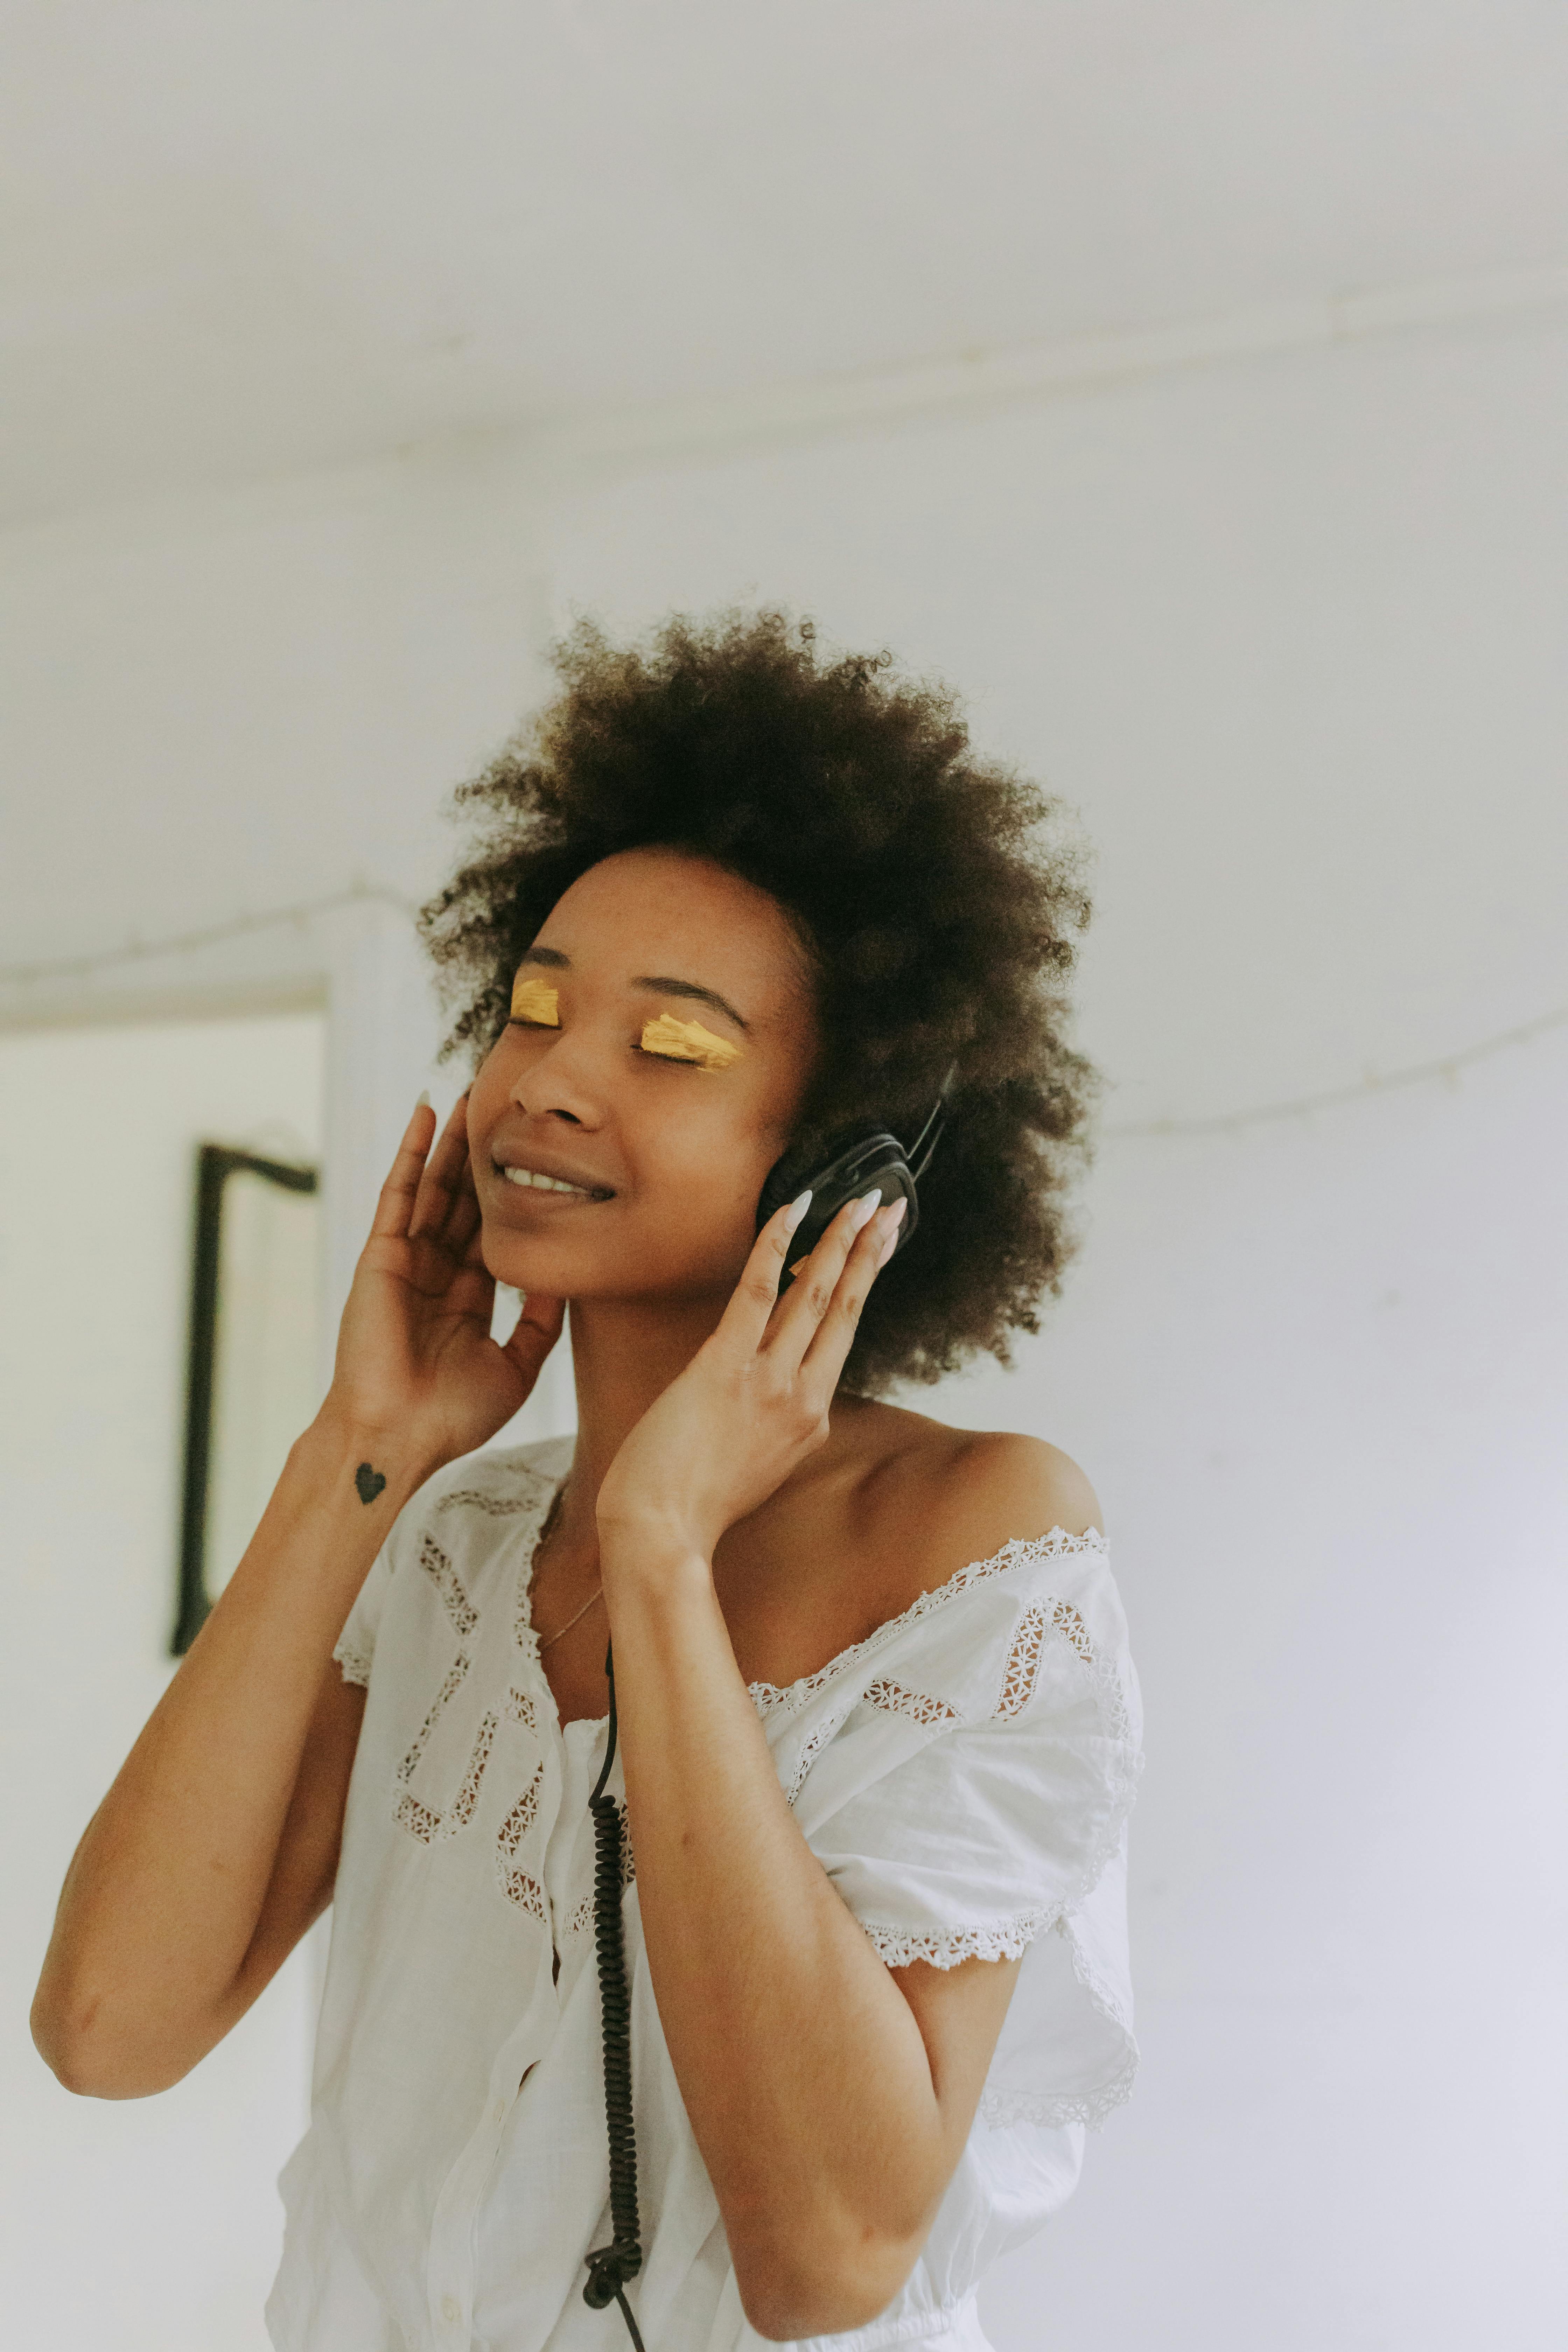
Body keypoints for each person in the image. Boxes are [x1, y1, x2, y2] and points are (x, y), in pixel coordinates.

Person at [32, 611, 1143, 2352]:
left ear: (852, 1147)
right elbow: (107, 2026)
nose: (547, 1079)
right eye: (533, 1011)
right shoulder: (457, 1545)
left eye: (673, 1047)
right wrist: (360, 1453)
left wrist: (659, 1551)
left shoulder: (975, 1537)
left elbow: (830, 2260)